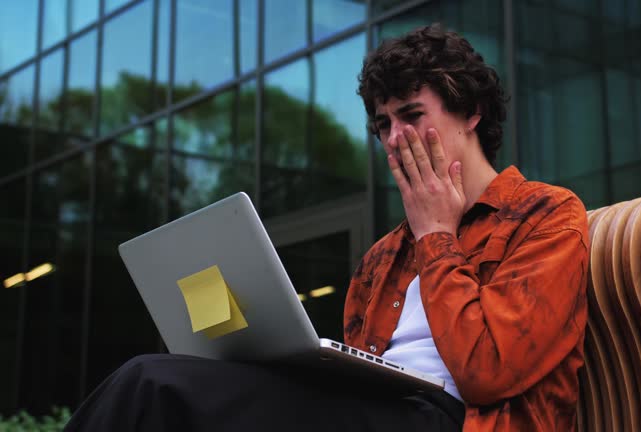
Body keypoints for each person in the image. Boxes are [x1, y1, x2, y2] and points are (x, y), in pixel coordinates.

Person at [64, 24, 588, 432]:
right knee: (162, 387)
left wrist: (436, 234)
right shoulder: (382, 258)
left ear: (471, 112)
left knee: (154, 385)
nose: (394, 138)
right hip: (376, 410)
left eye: (410, 115)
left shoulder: (545, 216)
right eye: (383, 124)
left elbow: (487, 373)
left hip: (459, 419)